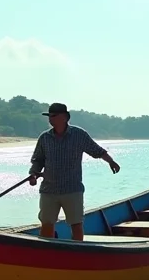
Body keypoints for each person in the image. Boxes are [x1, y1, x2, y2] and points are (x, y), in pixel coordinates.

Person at [28, 102, 120, 240]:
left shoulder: (78, 135)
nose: (50, 119)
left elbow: (97, 150)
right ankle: (47, 255)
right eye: (49, 116)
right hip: (49, 189)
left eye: (54, 116)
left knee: (76, 223)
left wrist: (111, 161)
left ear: (65, 117)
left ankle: (78, 252)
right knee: (46, 223)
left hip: (72, 189)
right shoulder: (44, 138)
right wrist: (33, 174)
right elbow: (38, 160)